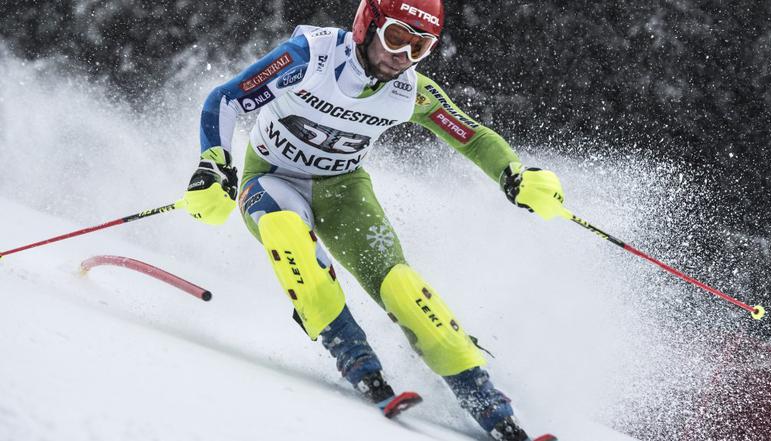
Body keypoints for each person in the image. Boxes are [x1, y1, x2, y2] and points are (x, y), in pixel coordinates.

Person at [183, 1, 565, 439]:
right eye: (397, 37)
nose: (403, 56)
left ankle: (484, 398)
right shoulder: (312, 58)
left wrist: (513, 175)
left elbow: (473, 136)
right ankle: (353, 355)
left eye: (419, 47)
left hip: (343, 192)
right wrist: (214, 165)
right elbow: (226, 98)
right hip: (271, 178)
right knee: (289, 237)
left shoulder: (409, 91)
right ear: (369, 24)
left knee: (402, 287)